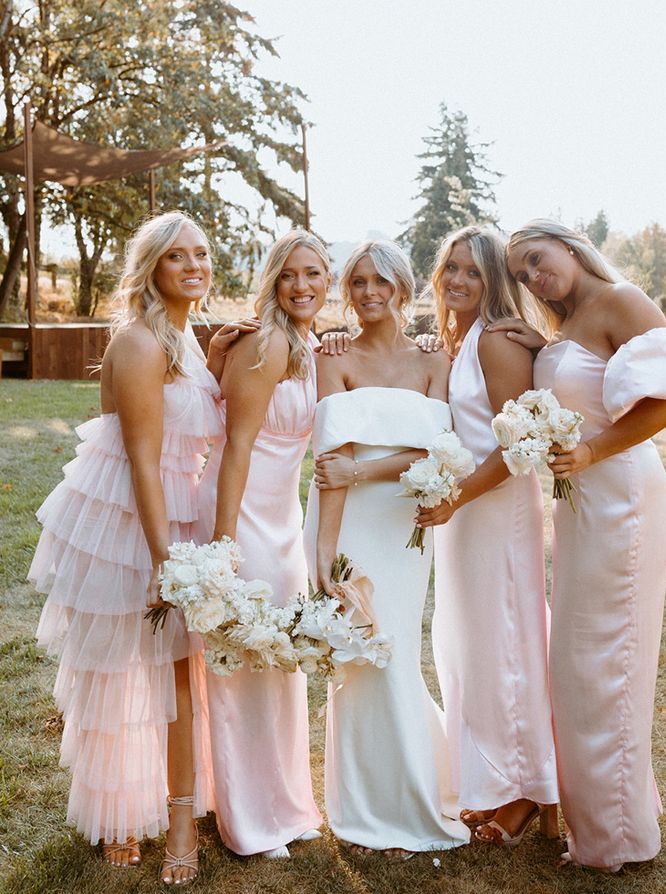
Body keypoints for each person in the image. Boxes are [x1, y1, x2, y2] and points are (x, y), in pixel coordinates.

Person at [28, 211, 229, 884]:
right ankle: (119, 817)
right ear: (152, 269)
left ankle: (180, 818)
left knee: (180, 674)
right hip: (131, 522)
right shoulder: (141, 343)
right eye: (179, 257)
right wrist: (161, 559)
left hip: (178, 512)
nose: (195, 266)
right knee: (121, 674)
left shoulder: (188, 336)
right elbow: (142, 460)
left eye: (202, 254)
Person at [500, 219, 666, 871]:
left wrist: (588, 450)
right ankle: (608, 818)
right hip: (583, 510)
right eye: (522, 273)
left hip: (625, 502)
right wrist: (536, 343)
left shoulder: (623, 301)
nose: (532, 275)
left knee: (607, 664)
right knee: (580, 666)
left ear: (570, 243)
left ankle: (613, 837)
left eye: (537, 258)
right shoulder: (565, 325)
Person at [304, 240, 469, 857]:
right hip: (345, 523)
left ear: (404, 289)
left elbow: (438, 453)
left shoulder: (434, 359)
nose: (369, 293)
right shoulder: (333, 356)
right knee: (356, 657)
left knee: (395, 650)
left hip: (404, 526)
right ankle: (364, 807)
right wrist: (324, 551)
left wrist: (366, 474)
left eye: (381, 282)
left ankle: (416, 795)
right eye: (358, 284)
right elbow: (331, 459)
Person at [412, 225, 559, 849]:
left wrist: (457, 497)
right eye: (451, 268)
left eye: (473, 271)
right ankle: (489, 777)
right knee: (467, 643)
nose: (458, 280)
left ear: (494, 279)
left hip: (494, 511)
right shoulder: (455, 340)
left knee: (504, 642)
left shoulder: (498, 341)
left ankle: (527, 789)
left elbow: (518, 446)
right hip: (462, 515)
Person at [194, 229, 327, 859]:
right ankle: (249, 820)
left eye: (314, 274)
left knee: (276, 664)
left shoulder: (307, 343)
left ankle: (286, 803)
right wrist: (224, 541)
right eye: (289, 275)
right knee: (242, 665)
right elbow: (237, 445)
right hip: (243, 516)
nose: (301, 286)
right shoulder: (269, 341)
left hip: (282, 520)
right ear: (273, 281)